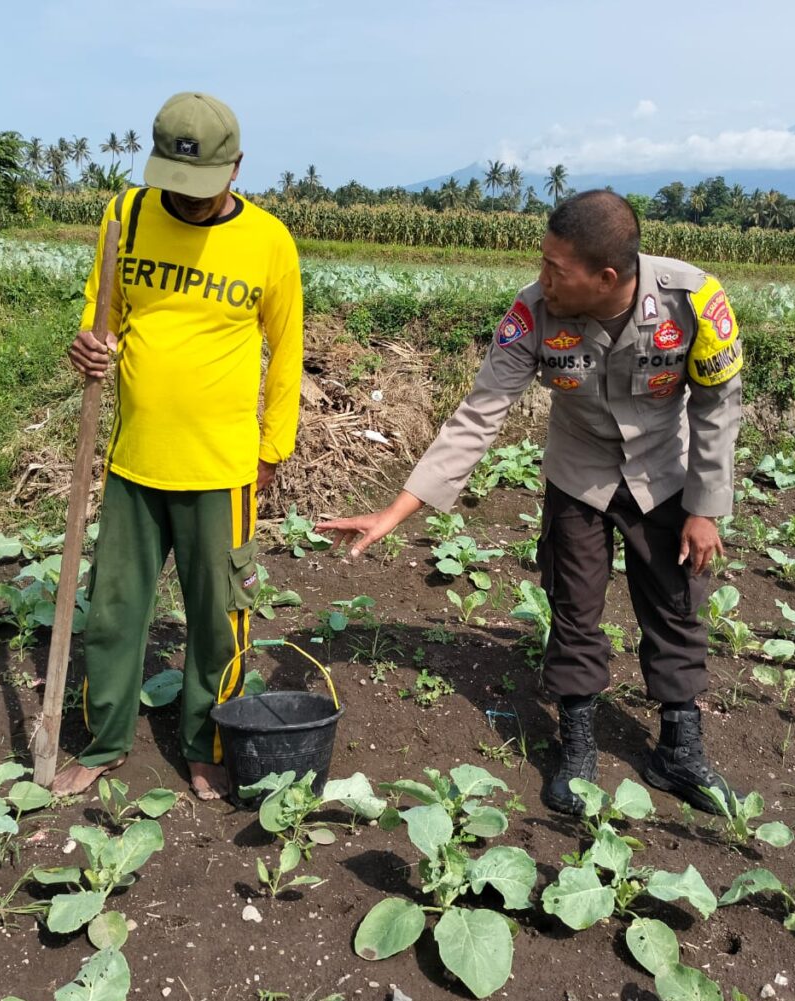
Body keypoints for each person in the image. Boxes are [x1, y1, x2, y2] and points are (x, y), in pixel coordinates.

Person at [317, 190, 743, 816]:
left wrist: (705, 508)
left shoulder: (695, 301)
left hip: (666, 471)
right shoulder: (534, 311)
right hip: (580, 473)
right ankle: (576, 743)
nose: (542, 278)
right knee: (574, 606)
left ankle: (679, 747)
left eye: (555, 268)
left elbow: (716, 406)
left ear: (605, 278)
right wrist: (396, 511)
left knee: (676, 604)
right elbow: (478, 415)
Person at [52, 92, 303, 800]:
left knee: (219, 622)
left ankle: (205, 744)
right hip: (136, 459)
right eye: (173, 185)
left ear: (237, 167)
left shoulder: (268, 242)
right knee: (112, 613)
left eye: (200, 189)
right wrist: (90, 348)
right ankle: (103, 742)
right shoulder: (125, 216)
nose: (185, 203)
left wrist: (272, 450)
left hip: (222, 468)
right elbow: (103, 311)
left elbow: (287, 352)